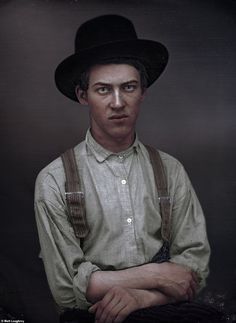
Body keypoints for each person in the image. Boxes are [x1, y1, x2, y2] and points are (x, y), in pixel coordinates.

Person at [34, 15, 216, 323]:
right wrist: (156, 273)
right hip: (94, 317)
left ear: (142, 92)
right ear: (83, 96)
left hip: (164, 311)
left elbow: (193, 270)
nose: (118, 102)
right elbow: (66, 288)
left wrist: (142, 297)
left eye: (128, 87)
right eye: (103, 90)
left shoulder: (171, 171)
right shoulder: (54, 180)